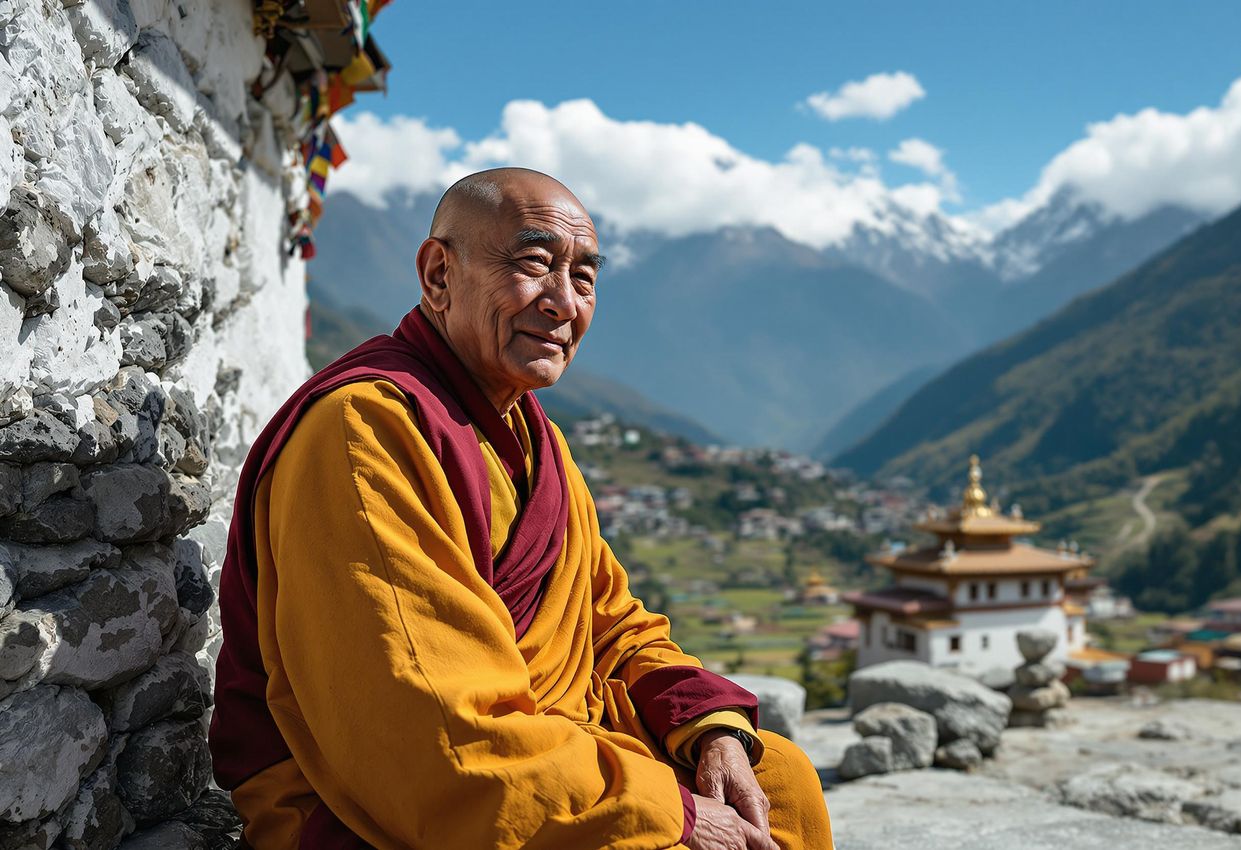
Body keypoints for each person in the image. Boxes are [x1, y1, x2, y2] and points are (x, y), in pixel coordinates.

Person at [209, 168, 834, 850]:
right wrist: (669, 813)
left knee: (779, 784)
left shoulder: (540, 444)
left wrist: (708, 726)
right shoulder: (363, 431)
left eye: (584, 278)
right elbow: (424, 723)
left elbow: (613, 625)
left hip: (541, 743)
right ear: (439, 275)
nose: (564, 303)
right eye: (535, 264)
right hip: (384, 787)